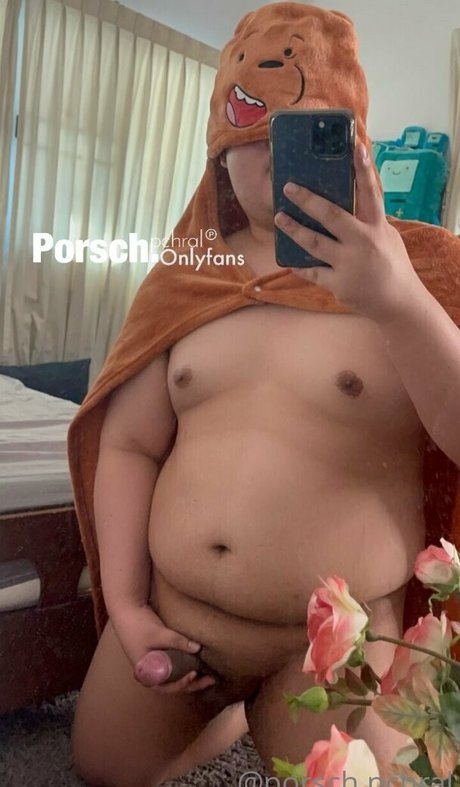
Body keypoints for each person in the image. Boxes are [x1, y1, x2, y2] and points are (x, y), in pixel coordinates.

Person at [68, 4, 460, 786]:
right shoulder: (189, 270)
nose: (275, 161)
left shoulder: (423, 272)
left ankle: (275, 706)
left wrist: (396, 300)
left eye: (304, 135)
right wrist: (128, 605)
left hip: (334, 642)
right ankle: (224, 716)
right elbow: (129, 442)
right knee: (101, 766)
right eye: (253, 136)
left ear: (354, 146)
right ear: (219, 149)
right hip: (178, 614)